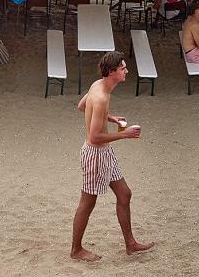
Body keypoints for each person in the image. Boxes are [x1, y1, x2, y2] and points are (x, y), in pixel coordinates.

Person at [70, 51, 154, 262]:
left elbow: (82, 106)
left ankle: (130, 244)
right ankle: (76, 250)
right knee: (87, 203)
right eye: (123, 68)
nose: (127, 70)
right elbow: (95, 136)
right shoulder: (100, 96)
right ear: (111, 72)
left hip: (105, 152)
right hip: (95, 155)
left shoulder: (99, 86)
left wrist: (110, 117)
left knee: (124, 194)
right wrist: (124, 134)